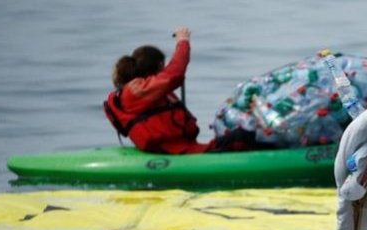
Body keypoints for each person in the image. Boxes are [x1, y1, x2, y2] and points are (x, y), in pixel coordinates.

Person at [104, 27, 264, 154]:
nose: (165, 69)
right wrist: (183, 42)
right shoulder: (135, 90)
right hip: (173, 151)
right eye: (163, 66)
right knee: (244, 137)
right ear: (157, 66)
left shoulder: (152, 90)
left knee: (245, 132)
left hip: (183, 147)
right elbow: (175, 73)